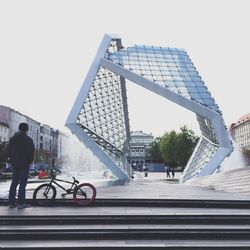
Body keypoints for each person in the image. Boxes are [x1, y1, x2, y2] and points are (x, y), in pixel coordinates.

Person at [8, 122, 35, 209]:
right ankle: (21, 203)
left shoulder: (12, 139)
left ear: (19, 128)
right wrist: (29, 161)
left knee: (14, 183)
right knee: (22, 183)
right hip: (24, 164)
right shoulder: (28, 140)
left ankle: (11, 203)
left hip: (15, 164)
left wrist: (12, 161)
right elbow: (30, 152)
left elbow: (9, 151)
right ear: (26, 130)